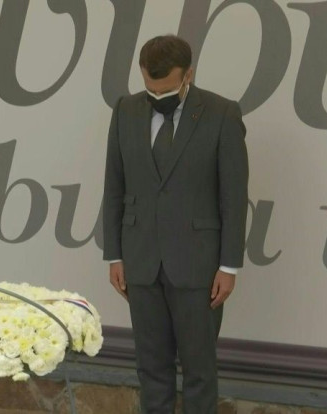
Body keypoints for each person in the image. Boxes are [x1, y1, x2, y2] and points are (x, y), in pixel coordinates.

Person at [102, 35, 249, 414]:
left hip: (199, 265)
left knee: (200, 369)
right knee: (151, 368)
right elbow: (114, 186)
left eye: (165, 90)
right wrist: (114, 255)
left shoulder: (222, 114)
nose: (156, 96)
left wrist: (229, 266)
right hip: (140, 262)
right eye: (150, 89)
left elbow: (234, 197)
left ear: (189, 75)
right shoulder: (125, 110)